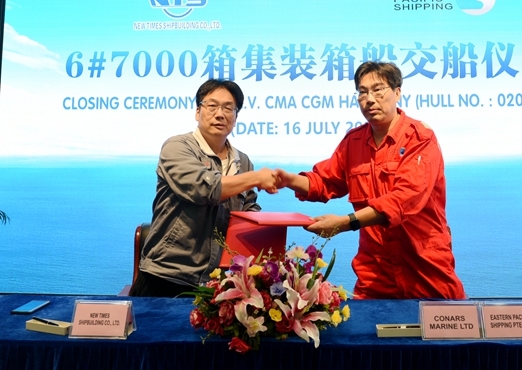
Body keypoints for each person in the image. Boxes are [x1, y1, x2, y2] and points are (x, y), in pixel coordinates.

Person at [275, 61, 466, 300]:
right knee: (367, 323)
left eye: (378, 90)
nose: (369, 99)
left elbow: (404, 198)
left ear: (397, 92)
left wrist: (345, 223)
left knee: (447, 322)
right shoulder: (353, 142)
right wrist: (288, 179)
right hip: (375, 271)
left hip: (424, 264)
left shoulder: (419, 138)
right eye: (363, 92)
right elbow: (325, 182)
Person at [130, 79, 279, 297]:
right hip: (166, 275)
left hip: (217, 281)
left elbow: (248, 210)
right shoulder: (177, 147)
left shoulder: (243, 162)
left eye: (228, 108)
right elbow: (204, 188)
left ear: (236, 116)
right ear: (198, 112)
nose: (220, 114)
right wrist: (255, 178)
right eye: (212, 106)